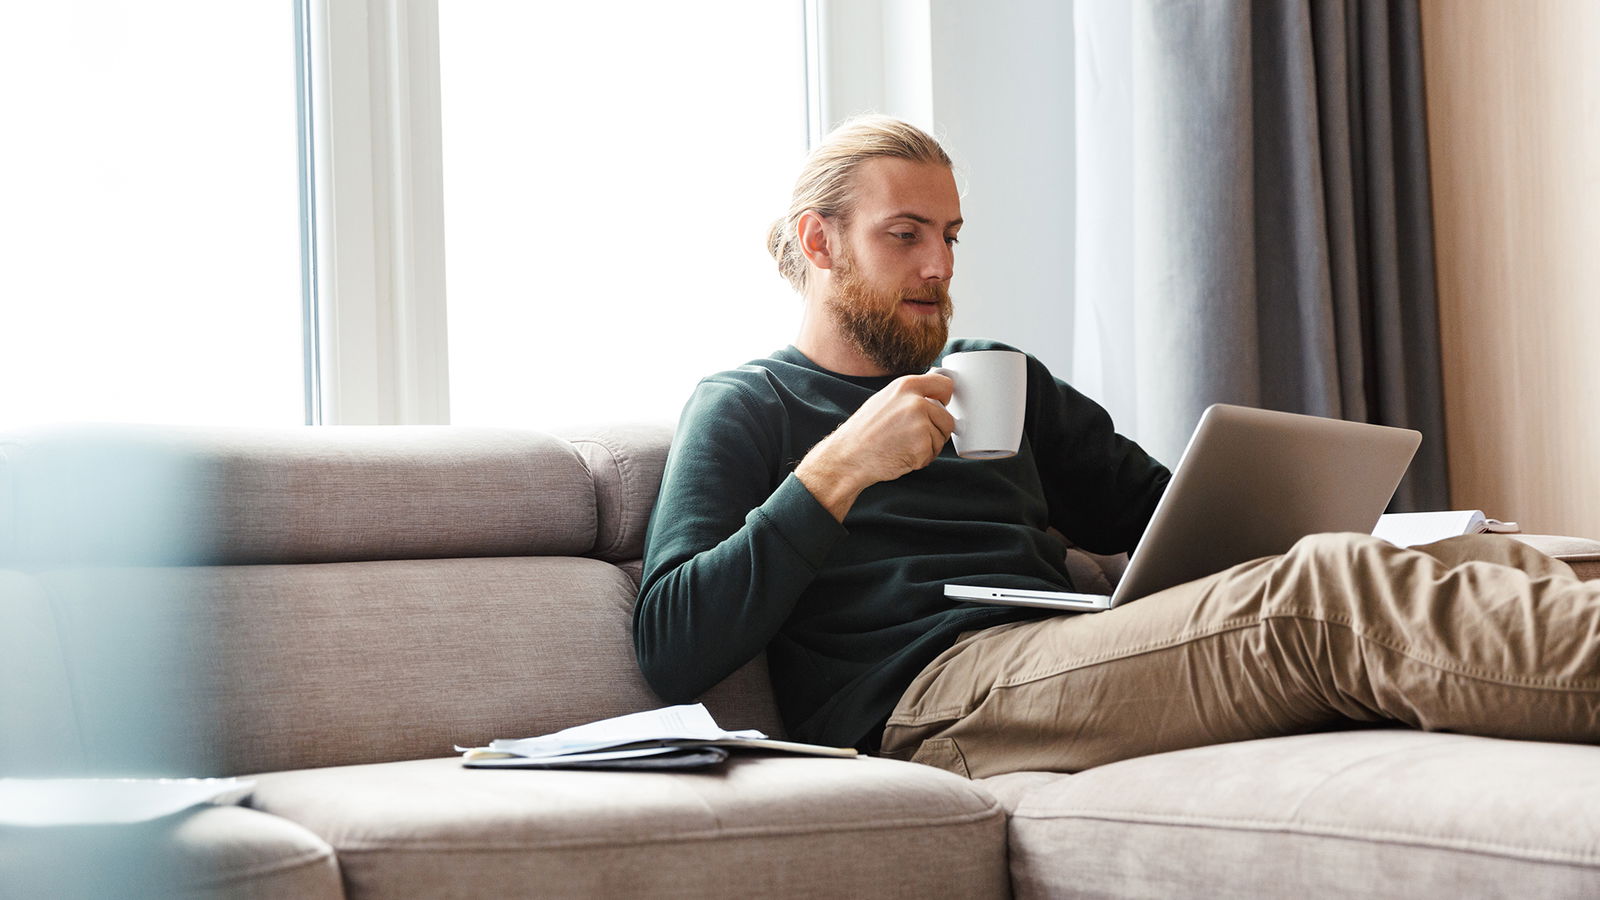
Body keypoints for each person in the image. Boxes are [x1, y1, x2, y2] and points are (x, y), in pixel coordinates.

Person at [633, 115, 1600, 778]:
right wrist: (839, 467)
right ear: (821, 241)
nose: (941, 265)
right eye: (906, 235)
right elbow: (674, 643)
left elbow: (1171, 513)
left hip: (1064, 649)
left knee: (1466, 555)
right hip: (931, 702)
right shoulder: (748, 404)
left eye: (953, 235)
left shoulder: (994, 373)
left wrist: (1327, 523)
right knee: (1317, 599)